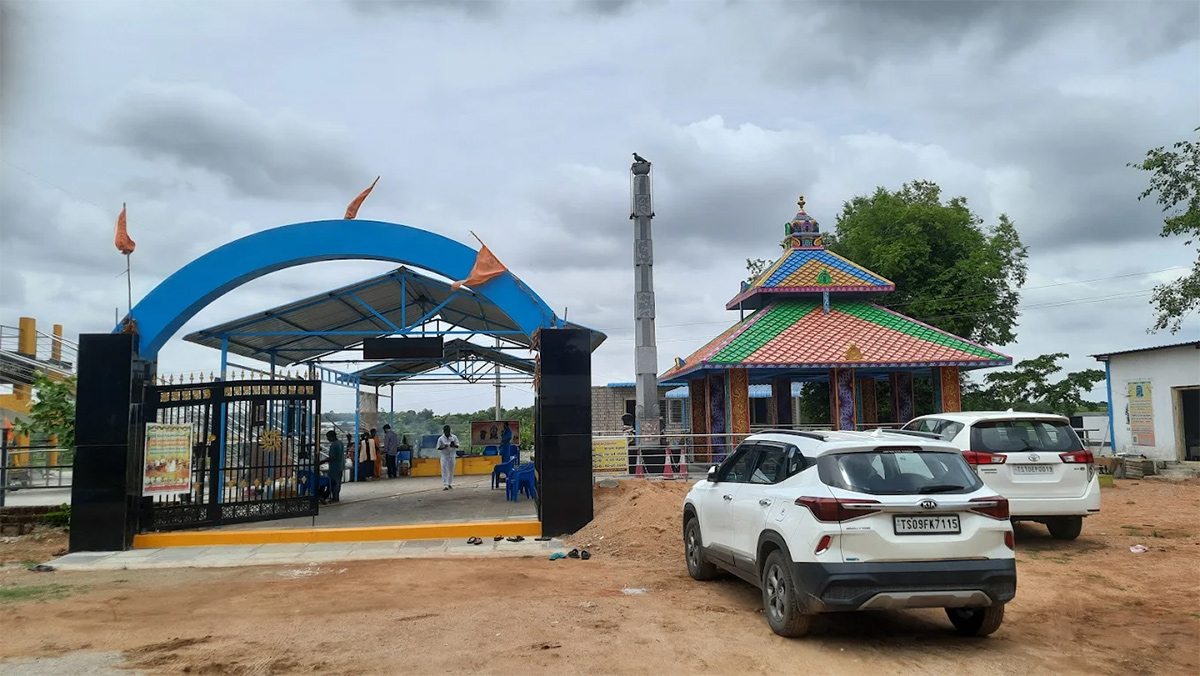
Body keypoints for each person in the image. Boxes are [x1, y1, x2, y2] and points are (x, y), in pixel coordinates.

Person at [436, 424, 460, 490]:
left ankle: (449, 483)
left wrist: (454, 445)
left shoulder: (454, 437)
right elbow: (438, 447)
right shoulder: (441, 438)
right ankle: (445, 484)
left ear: (450, 431)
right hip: (444, 455)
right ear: (443, 431)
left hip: (452, 455)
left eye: (448, 431)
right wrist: (444, 447)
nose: (447, 432)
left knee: (451, 470)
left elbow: (457, 445)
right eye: (446, 431)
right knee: (444, 470)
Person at [324, 430, 344, 503]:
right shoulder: (340, 443)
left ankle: (334, 497)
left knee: (333, 482)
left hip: (334, 467)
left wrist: (323, 461)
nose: (327, 439)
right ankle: (336, 496)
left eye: (328, 437)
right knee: (338, 482)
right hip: (340, 466)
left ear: (331, 437)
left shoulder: (334, 445)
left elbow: (333, 457)